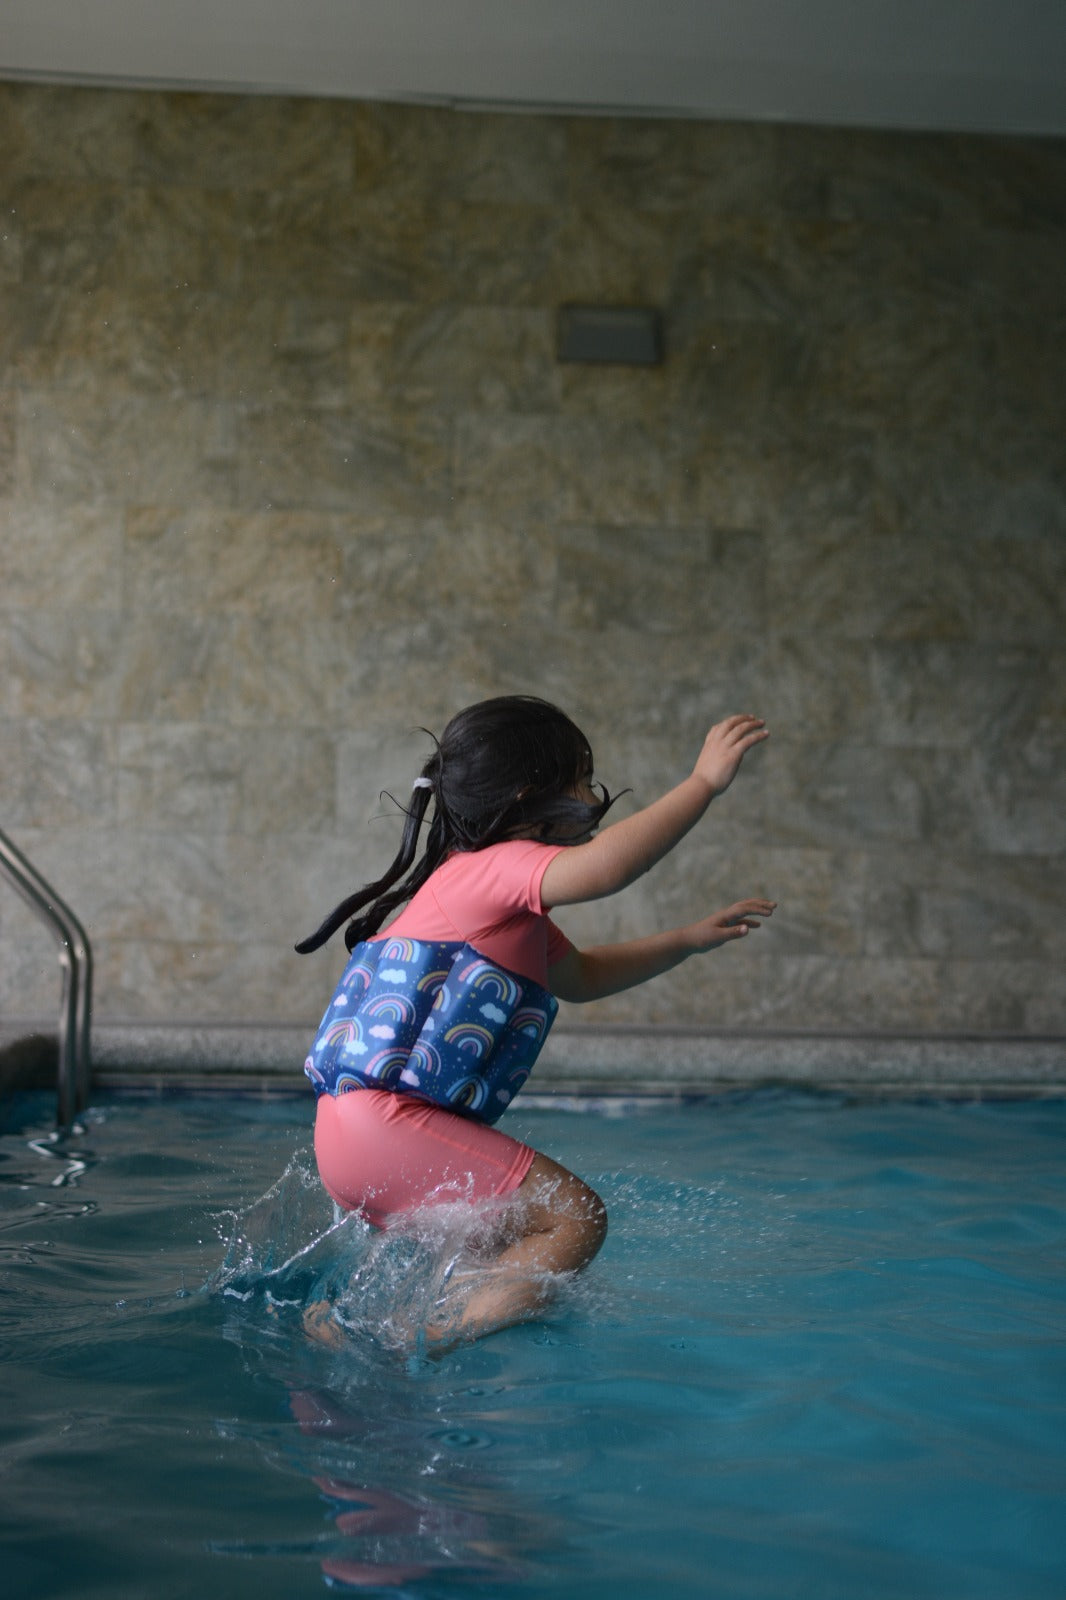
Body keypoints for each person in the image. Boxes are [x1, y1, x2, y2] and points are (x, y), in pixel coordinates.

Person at [296, 695, 773, 1344]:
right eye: (579, 777)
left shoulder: (500, 910)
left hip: (357, 1134)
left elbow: (585, 977)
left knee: (510, 1254)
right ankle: (404, 1338)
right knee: (575, 1219)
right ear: (527, 797)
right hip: (389, 1126)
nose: (589, 793)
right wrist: (701, 785)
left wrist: (687, 939)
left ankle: (348, 1330)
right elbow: (608, 868)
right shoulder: (487, 872)